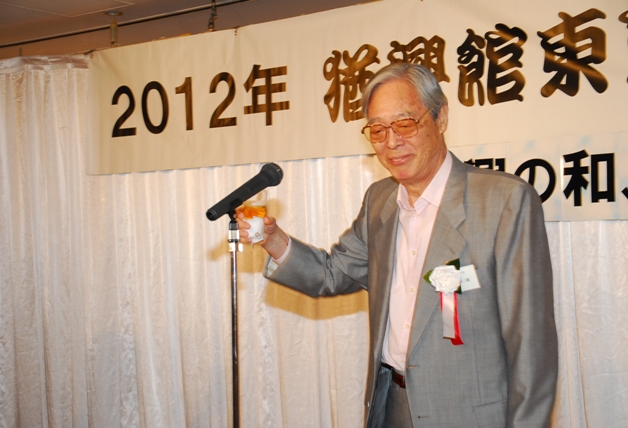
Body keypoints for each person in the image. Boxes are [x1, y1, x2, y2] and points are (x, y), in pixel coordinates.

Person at [237, 63, 558, 427]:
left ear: (440, 117)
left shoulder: (503, 201)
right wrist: (274, 239)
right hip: (393, 405)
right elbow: (332, 274)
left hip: (470, 414)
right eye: (377, 130)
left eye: (404, 124)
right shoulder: (381, 201)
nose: (391, 142)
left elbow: (531, 343)